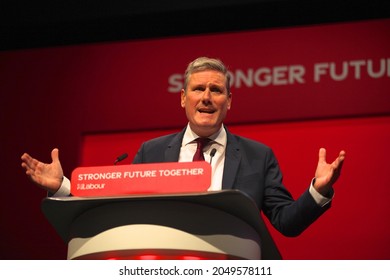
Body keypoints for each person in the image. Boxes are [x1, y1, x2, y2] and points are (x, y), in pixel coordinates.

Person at [21, 56, 346, 237]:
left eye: (216, 90)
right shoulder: (151, 151)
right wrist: (63, 187)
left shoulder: (257, 156)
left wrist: (318, 190)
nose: (206, 97)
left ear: (229, 102)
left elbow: (286, 223)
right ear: (183, 98)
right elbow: (118, 208)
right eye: (198, 88)